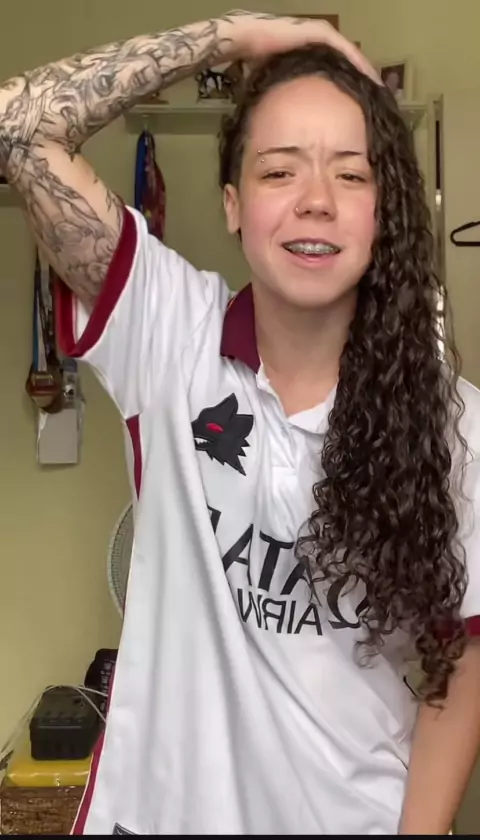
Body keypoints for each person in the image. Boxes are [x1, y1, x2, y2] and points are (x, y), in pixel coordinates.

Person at [1, 11, 480, 836]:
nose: (316, 201)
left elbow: (462, 660)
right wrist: (232, 37)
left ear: (382, 211)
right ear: (232, 204)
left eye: (351, 175)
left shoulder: (454, 425)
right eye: (279, 171)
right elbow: (17, 122)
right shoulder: (168, 331)